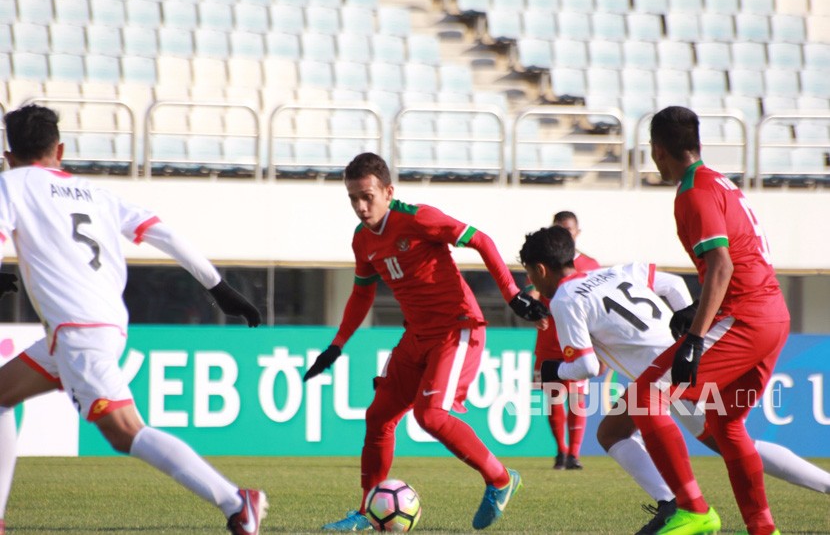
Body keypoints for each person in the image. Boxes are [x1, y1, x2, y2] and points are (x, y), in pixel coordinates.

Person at [0, 104, 267, 535]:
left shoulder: (11, 184)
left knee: (125, 432)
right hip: (95, 327)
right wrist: (220, 288)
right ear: (60, 149)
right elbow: (165, 233)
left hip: (79, 333)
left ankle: (237, 501)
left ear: (8, 155)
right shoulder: (98, 195)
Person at [520, 225, 830, 535]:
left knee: (733, 444)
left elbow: (587, 366)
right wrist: (684, 326)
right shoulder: (617, 272)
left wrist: (553, 371)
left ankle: (688, 507)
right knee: (612, 432)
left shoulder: (564, 299)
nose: (530, 281)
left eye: (529, 274)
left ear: (541, 269)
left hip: (666, 376)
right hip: (678, 360)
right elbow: (672, 283)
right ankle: (671, 503)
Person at [302, 153, 548, 531]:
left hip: (457, 327)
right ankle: (368, 512)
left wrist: (512, 294)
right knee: (378, 417)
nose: (360, 206)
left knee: (430, 415)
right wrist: (337, 345)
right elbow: (362, 295)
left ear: (388, 191)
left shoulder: (418, 218)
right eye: (353, 198)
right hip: (416, 335)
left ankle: (500, 479)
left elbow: (480, 239)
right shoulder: (362, 239)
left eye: (367, 196)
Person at [630, 106, 791, 535]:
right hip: (772, 317)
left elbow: (721, 264)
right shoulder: (719, 182)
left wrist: (697, 337)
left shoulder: (693, 192)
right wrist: (698, 311)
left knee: (644, 397)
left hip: (744, 315)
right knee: (726, 423)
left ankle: (694, 509)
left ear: (658, 150)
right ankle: (763, 529)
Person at [532, 211, 600, 470]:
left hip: (577, 338)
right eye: (558, 228)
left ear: (577, 233)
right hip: (549, 338)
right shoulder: (543, 263)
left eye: (568, 230)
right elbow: (534, 289)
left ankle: (574, 453)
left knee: (577, 397)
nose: (563, 233)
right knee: (553, 396)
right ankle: (561, 451)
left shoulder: (590, 264)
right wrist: (531, 307)